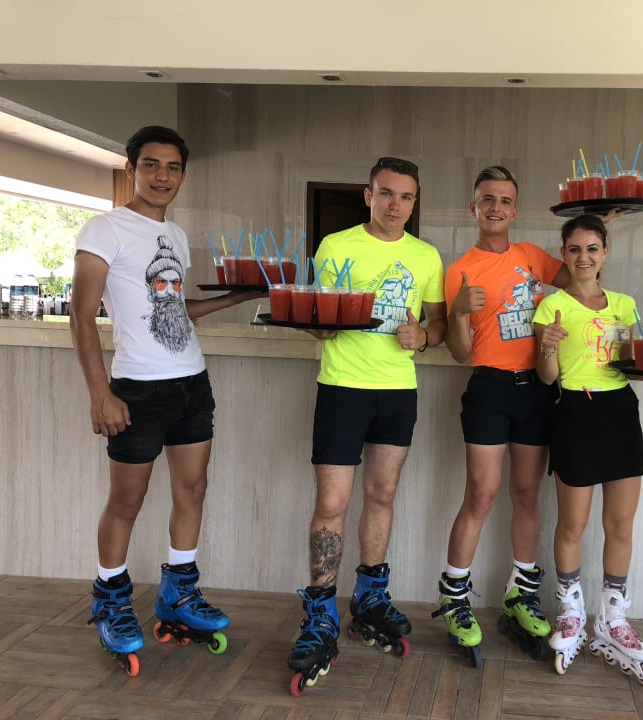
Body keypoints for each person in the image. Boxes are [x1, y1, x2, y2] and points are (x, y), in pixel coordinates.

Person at [71, 125, 265, 676]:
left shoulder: (175, 237)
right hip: (137, 388)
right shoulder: (105, 229)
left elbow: (174, 310)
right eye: (152, 165)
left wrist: (238, 297)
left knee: (193, 489)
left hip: (191, 383)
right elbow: (81, 317)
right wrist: (101, 393)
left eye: (173, 167)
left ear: (182, 174)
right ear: (131, 169)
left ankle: (178, 592)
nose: (163, 176)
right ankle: (110, 598)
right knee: (127, 500)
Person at [288, 156, 447, 690]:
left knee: (382, 495)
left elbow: (438, 324)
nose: (395, 204)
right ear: (368, 196)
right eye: (386, 193)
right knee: (331, 503)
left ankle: (371, 596)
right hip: (342, 388)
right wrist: (318, 326)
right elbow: (317, 317)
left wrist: (423, 338)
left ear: (414, 202)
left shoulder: (426, 256)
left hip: (398, 391)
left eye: (405, 196)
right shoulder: (335, 246)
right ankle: (320, 611)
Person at [431, 166, 567, 665]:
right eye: (488, 199)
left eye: (505, 200)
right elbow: (460, 353)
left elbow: (581, 275)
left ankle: (520, 593)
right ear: (474, 207)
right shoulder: (459, 270)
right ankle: (454, 596)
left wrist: (602, 227)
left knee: (527, 494)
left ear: (515, 210)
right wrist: (459, 311)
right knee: (482, 494)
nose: (496, 207)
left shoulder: (532, 256)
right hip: (488, 389)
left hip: (534, 390)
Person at [533, 214, 643, 682]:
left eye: (592, 248)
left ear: (605, 253)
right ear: (564, 254)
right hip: (575, 413)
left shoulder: (624, 304)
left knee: (620, 523)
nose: (583, 257)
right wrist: (547, 345)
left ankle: (613, 617)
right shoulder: (552, 306)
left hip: (620, 412)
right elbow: (547, 376)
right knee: (573, 524)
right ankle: (570, 611)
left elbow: (628, 361)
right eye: (574, 249)